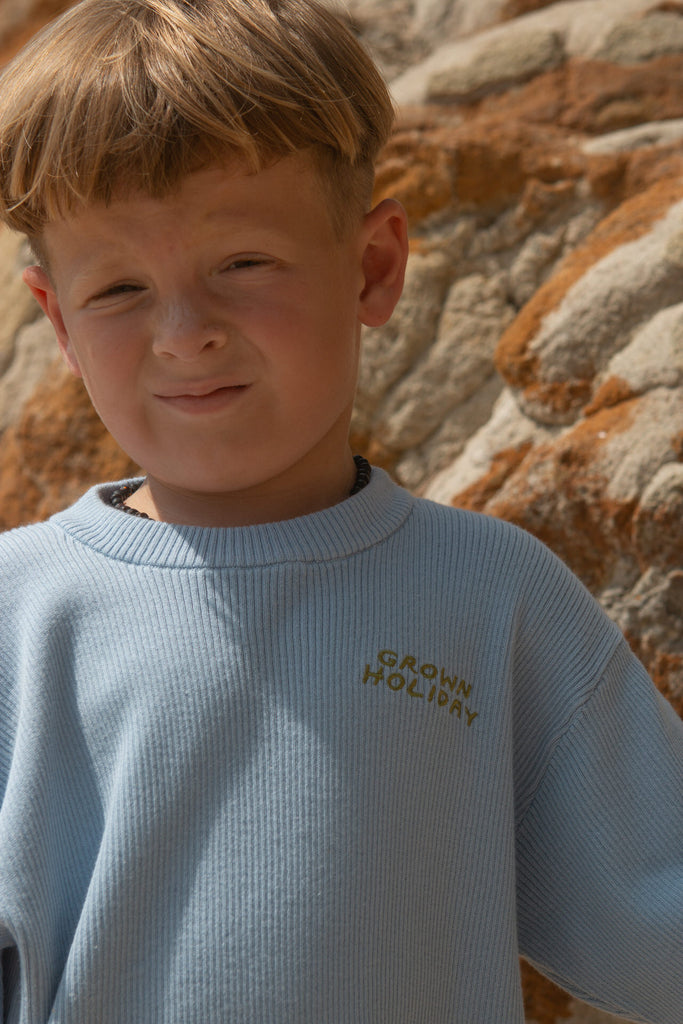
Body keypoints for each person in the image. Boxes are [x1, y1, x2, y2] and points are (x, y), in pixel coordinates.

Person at [0, 0, 680, 1020]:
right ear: (56, 318)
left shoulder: (493, 598)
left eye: (242, 264)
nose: (183, 333)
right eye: (120, 289)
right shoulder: (18, 613)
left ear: (371, 268)